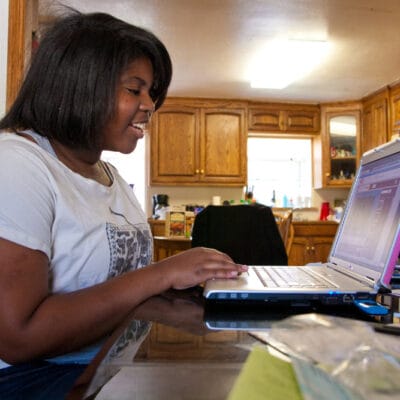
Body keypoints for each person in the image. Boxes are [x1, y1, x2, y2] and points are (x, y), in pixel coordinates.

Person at [0, 9, 247, 396]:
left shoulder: (111, 177)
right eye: (135, 90)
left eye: (151, 92)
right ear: (79, 86)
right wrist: (161, 273)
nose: (150, 105)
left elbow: (121, 290)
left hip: (112, 361)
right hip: (37, 379)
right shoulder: (17, 164)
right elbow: (17, 337)